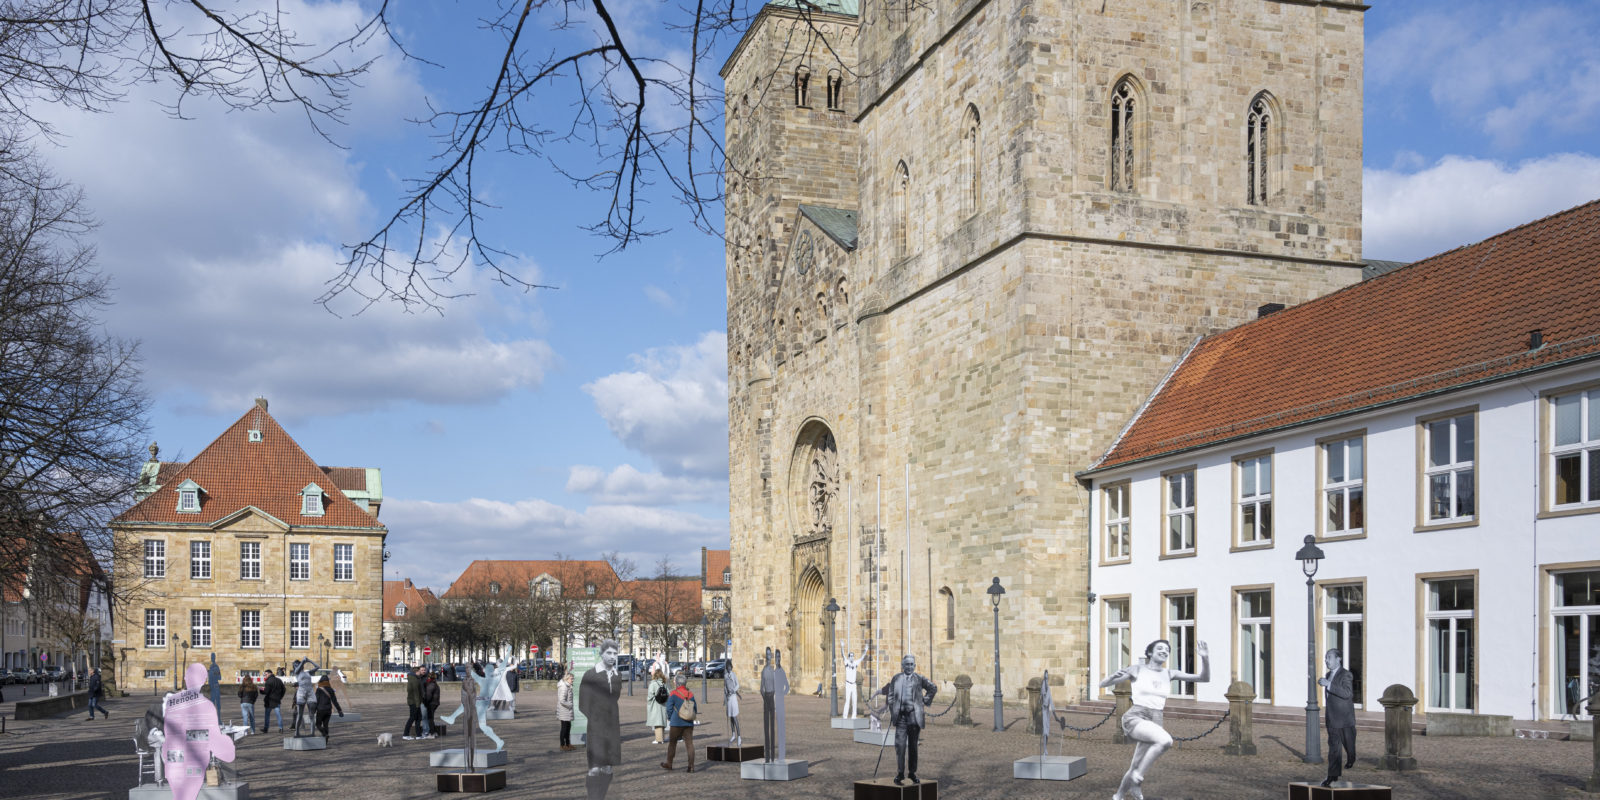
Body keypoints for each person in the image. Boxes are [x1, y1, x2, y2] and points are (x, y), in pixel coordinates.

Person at [1100, 638, 1211, 800]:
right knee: (1165, 741)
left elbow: (1204, 678)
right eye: (1160, 648)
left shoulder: (1169, 673)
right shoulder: (1137, 669)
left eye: (1167, 650)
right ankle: (1138, 777)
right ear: (1150, 652)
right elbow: (1103, 684)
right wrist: (1111, 677)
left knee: (1135, 764)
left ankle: (1118, 795)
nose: (1164, 651)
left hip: (1156, 719)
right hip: (1136, 717)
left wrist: (1205, 658)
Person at [880, 654, 937, 786]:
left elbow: (933, 688)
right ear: (902, 666)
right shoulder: (896, 678)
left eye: (912, 664)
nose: (909, 667)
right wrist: (892, 708)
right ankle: (900, 773)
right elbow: (890, 695)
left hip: (914, 718)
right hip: (901, 718)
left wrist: (924, 700)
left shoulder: (919, 679)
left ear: (914, 666)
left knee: (913, 747)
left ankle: (912, 772)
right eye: (907, 664)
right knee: (899, 746)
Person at [579, 639, 623, 800]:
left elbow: (615, 698)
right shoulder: (590, 675)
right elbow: (583, 703)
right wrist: (595, 717)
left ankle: (602, 796)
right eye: (609, 653)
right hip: (596, 727)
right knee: (595, 768)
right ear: (601, 654)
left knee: (608, 767)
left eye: (615, 653)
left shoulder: (617, 676)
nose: (612, 656)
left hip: (612, 727)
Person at [1320, 648, 1356, 787]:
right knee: (1334, 749)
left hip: (1345, 719)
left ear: (1338, 659)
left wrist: (1329, 684)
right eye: (1326, 658)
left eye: (1329, 657)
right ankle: (1332, 776)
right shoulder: (1328, 674)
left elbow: (1347, 693)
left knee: (1349, 745)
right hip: (1332, 719)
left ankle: (1352, 757)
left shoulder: (1346, 674)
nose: (1326, 660)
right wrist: (1324, 681)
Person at [660, 673, 699, 772]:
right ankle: (691, 766)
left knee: (672, 744)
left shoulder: (673, 693)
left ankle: (669, 763)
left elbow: (669, 708)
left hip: (676, 722)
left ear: (677, 683)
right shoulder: (690, 694)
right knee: (689, 744)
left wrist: (670, 717)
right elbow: (695, 708)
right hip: (688, 723)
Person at [288, 657, 318, 737]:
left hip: (310, 693)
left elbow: (317, 667)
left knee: (312, 715)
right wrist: (303, 661)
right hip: (301, 693)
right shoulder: (296, 672)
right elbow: (297, 669)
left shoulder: (307, 673)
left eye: (298, 664)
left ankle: (312, 733)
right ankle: (297, 733)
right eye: (295, 665)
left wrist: (309, 660)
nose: (297, 666)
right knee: (300, 715)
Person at [313, 674, 343, 740]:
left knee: (318, 725)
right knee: (326, 725)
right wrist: (339, 710)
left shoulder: (319, 689)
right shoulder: (331, 689)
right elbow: (335, 701)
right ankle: (325, 741)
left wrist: (313, 710)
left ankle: (324, 734)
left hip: (320, 710)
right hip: (328, 710)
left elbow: (316, 701)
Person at [840, 645, 867, 719]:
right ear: (849, 657)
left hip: (853, 684)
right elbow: (842, 655)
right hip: (848, 684)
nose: (852, 657)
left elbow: (861, 658)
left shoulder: (855, 663)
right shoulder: (846, 662)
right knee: (848, 701)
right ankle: (845, 716)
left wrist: (865, 650)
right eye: (851, 656)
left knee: (854, 701)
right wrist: (842, 647)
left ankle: (854, 716)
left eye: (853, 656)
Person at [646, 666, 668, 744]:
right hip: (663, 704)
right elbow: (668, 693)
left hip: (655, 705)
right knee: (662, 721)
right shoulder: (664, 684)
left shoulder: (653, 684)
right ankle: (662, 738)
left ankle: (659, 740)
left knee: (657, 722)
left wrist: (648, 702)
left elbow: (650, 695)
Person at [723, 656, 742, 745]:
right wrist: (726, 695)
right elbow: (725, 687)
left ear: (731, 666)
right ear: (726, 667)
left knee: (734, 717)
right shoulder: (725, 676)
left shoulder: (733, 675)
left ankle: (739, 736)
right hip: (728, 698)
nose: (729, 667)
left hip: (733, 697)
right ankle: (733, 734)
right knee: (730, 717)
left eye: (730, 666)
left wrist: (733, 690)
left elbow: (738, 685)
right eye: (728, 666)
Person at [404, 665, 426, 740]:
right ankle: (405, 734)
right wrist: (417, 704)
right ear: (416, 672)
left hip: (415, 702)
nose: (421, 673)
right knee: (412, 718)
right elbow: (416, 693)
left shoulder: (415, 679)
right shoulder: (414, 680)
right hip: (414, 702)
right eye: (420, 671)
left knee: (418, 718)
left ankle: (418, 735)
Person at [261, 667, 285, 733]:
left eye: (266, 674)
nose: (265, 676)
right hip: (277, 700)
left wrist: (261, 690)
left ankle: (266, 728)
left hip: (269, 700)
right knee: (278, 714)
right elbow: (284, 689)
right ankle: (281, 728)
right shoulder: (279, 680)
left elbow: (266, 691)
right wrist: (280, 697)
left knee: (267, 715)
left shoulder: (268, 681)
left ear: (269, 674)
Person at [556, 669, 575, 751]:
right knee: (564, 728)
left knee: (568, 727)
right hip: (564, 710)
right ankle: (562, 745)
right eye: (571, 678)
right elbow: (562, 700)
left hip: (567, 710)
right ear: (567, 679)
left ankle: (568, 743)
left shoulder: (568, 686)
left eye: (573, 678)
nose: (572, 680)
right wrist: (570, 705)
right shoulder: (564, 687)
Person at [421, 670, 441, 738]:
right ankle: (434, 732)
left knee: (430, 718)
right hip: (435, 703)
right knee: (431, 718)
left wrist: (425, 702)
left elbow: (428, 696)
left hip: (431, 703)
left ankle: (432, 733)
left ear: (429, 678)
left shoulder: (431, 685)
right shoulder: (435, 684)